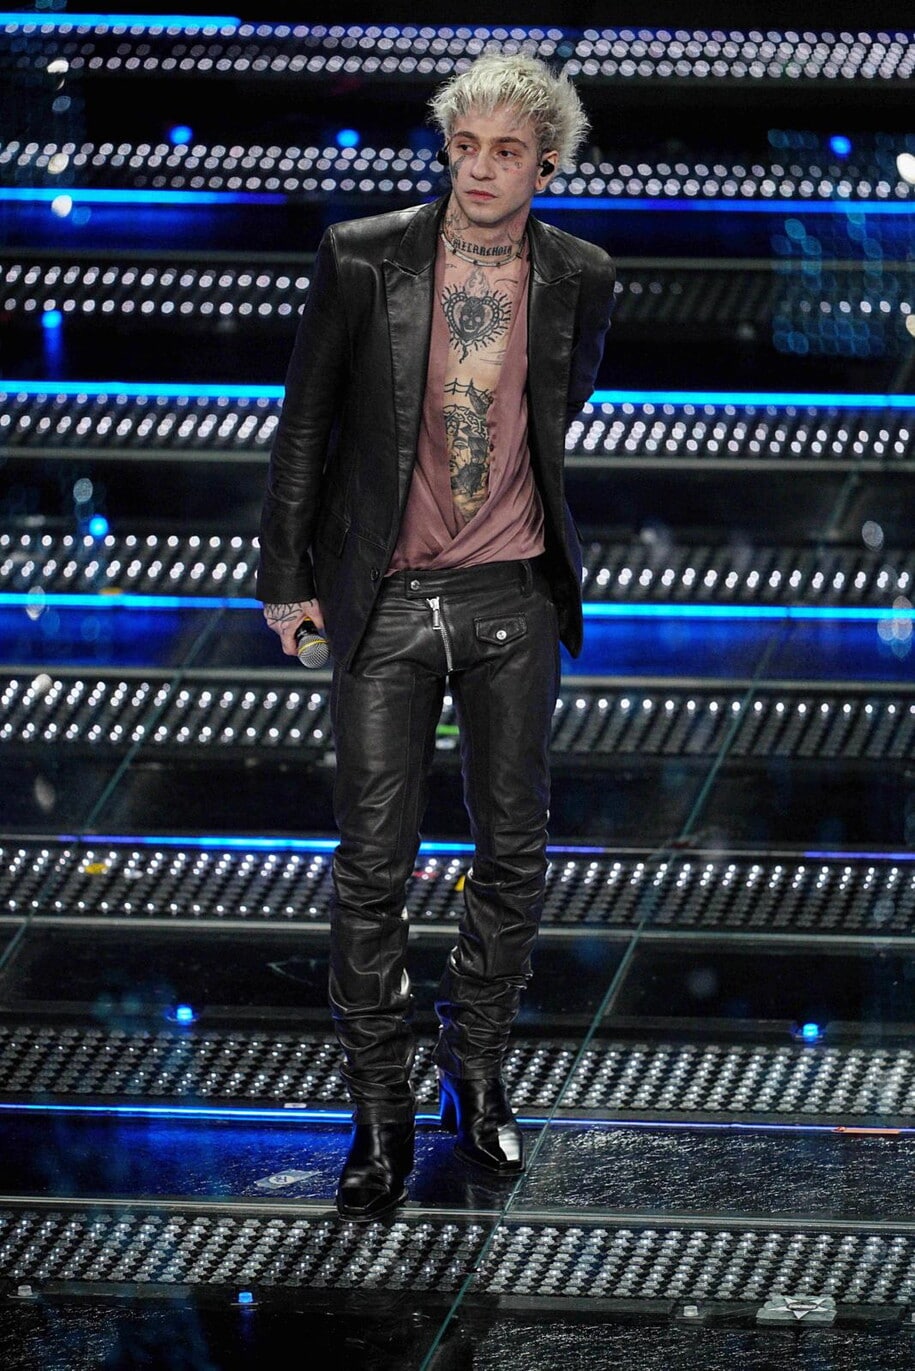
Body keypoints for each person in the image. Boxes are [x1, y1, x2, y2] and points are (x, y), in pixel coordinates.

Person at [256, 51, 616, 1221]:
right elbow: (305, 419)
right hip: (388, 599)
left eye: (508, 152)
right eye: (466, 147)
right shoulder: (364, 258)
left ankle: (479, 1070)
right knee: (372, 865)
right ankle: (378, 1114)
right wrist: (284, 578)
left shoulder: (581, 276)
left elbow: (555, 413)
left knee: (514, 851)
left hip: (513, 599)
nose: (481, 170)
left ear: (546, 164)